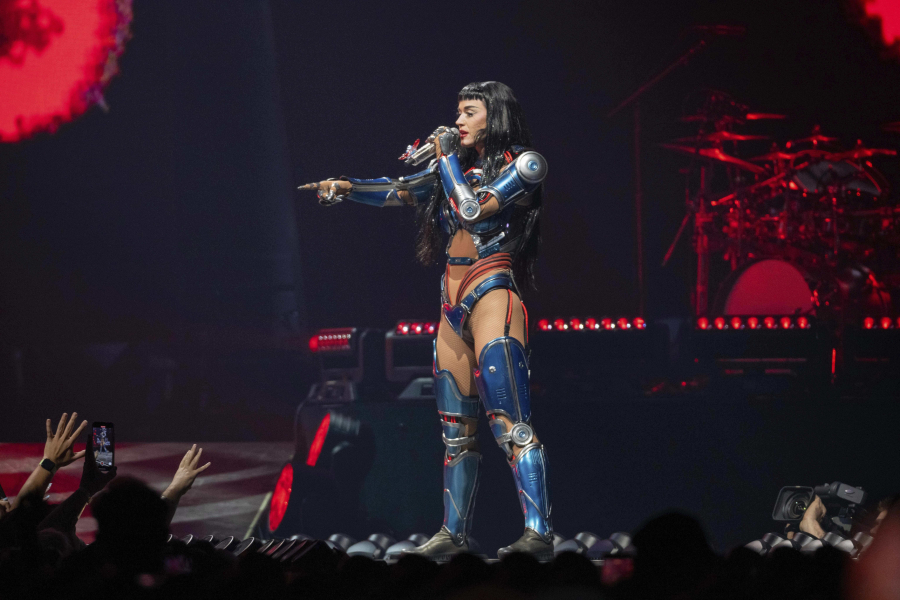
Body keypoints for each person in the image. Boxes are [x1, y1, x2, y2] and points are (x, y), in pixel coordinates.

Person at [301, 81, 552, 560]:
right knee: (456, 431)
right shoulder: (453, 166)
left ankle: (538, 533)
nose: (458, 120)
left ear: (495, 115)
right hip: (450, 300)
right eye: (458, 111)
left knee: (510, 424)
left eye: (469, 111)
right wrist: (348, 189)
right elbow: (401, 191)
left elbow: (473, 210)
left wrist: (446, 158)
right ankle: (452, 535)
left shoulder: (524, 164)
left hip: (491, 293)